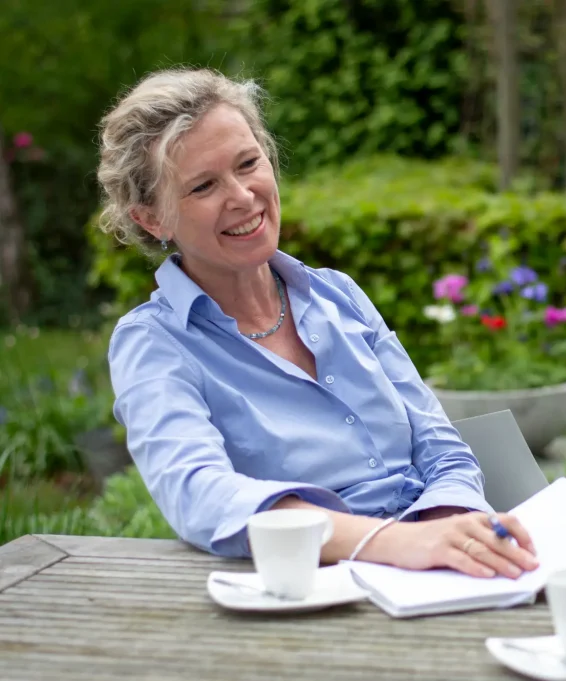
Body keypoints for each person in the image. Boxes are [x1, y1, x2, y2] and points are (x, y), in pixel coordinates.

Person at [95, 67, 538, 581]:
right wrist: (396, 543)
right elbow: (202, 496)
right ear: (152, 218)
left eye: (248, 163)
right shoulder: (153, 343)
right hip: (315, 584)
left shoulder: (339, 294)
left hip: (440, 564)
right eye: (204, 186)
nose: (242, 196)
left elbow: (439, 444)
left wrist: (448, 533)